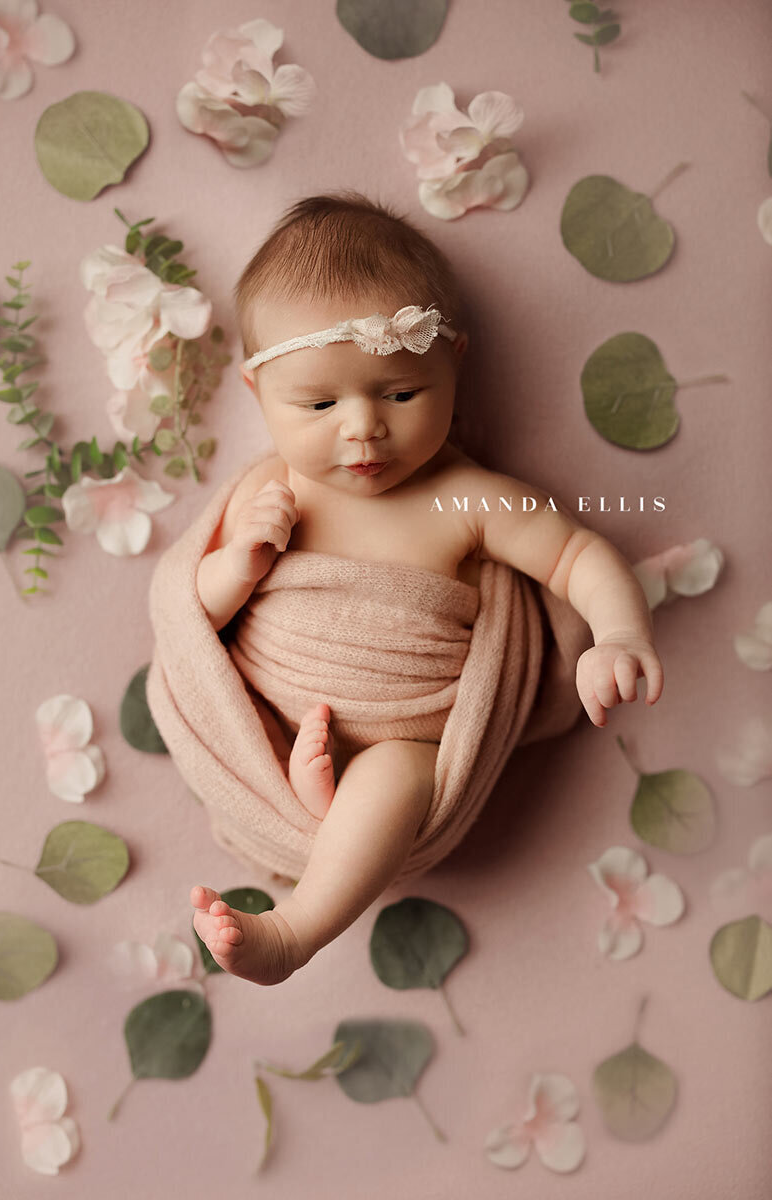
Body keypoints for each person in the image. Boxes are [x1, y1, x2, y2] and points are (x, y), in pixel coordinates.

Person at [189, 190, 664, 986]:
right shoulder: (269, 495)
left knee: (401, 773)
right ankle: (310, 795)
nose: (362, 428)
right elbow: (197, 620)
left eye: (400, 394)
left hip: (397, 745)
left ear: (454, 364)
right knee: (264, 720)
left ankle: (298, 930)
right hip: (269, 725)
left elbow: (578, 553)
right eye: (317, 403)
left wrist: (617, 635)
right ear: (256, 392)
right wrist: (237, 561)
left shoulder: (468, 499)